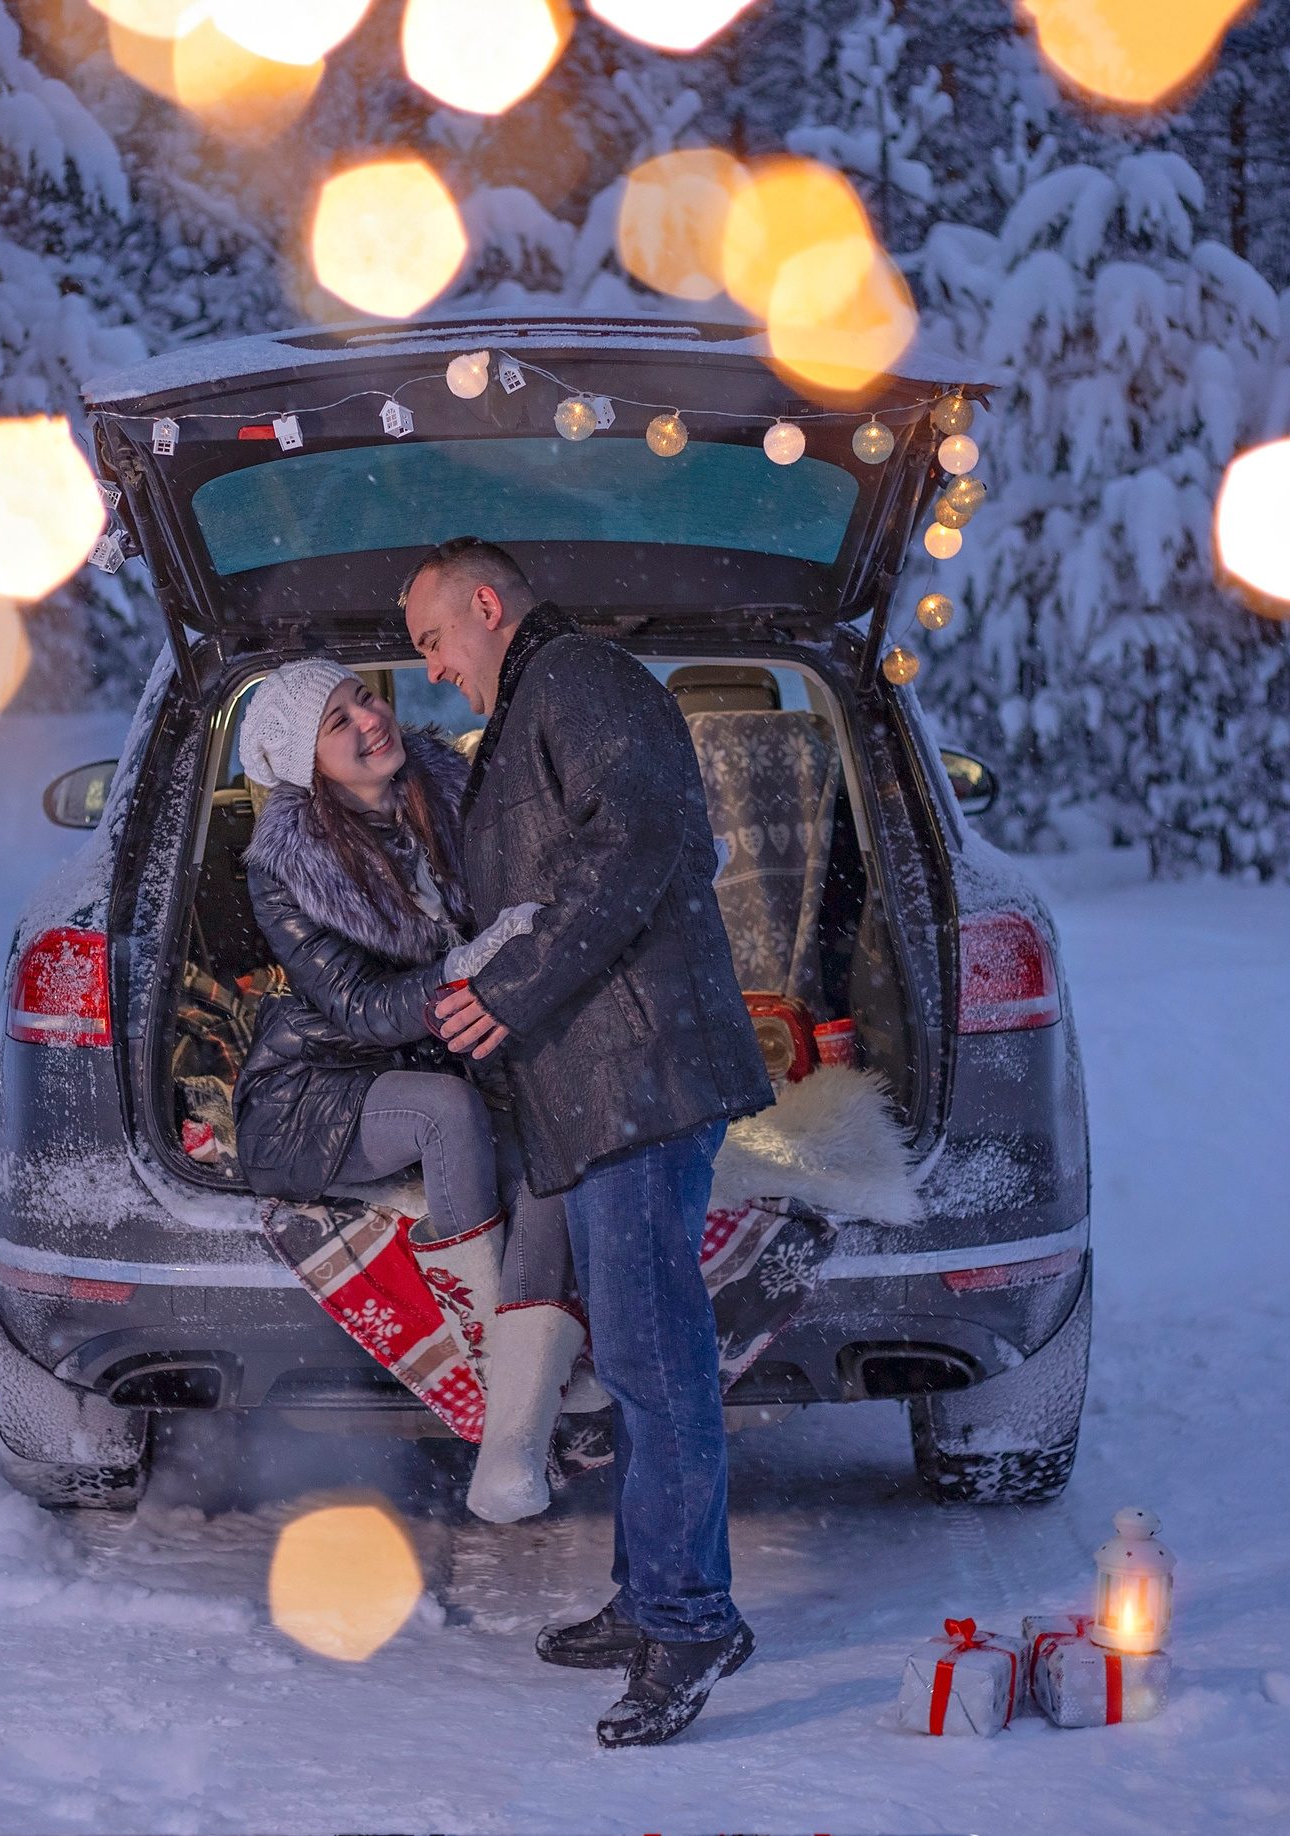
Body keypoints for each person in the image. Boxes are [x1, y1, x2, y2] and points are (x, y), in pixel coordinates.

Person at [401, 537, 776, 1748]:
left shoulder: (583, 685)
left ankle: (691, 1617)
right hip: (607, 1082)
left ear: (487, 605)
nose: (434, 670)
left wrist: (508, 988)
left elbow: (637, 846)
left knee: (658, 1366)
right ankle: (648, 1593)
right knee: (635, 1362)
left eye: (433, 640)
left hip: (643, 1075)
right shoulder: (531, 709)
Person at [231, 659, 582, 1522]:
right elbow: (355, 1004)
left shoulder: (453, 788)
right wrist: (466, 967)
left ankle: (515, 1437)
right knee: (448, 1112)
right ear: (303, 764)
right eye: (336, 722)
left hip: (449, 1049)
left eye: (363, 697)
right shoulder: (285, 865)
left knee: (555, 1148)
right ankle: (502, 1394)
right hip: (318, 1083)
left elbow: (540, 877)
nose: (368, 720)